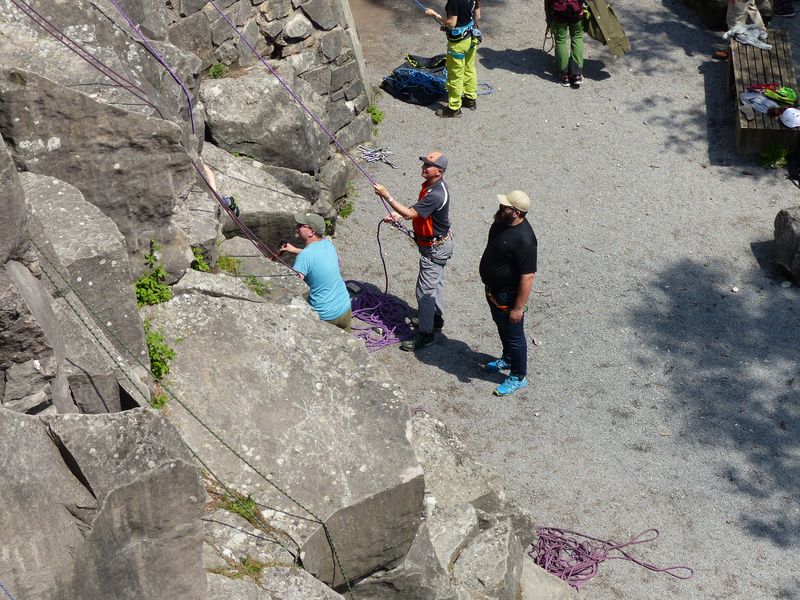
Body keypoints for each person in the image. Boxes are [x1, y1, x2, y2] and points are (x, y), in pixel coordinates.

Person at [373, 151, 453, 351]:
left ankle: (426, 334)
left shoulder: (436, 194)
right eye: (424, 164)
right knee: (436, 283)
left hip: (434, 249)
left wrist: (387, 196)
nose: (423, 167)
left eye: (428, 165)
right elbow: (417, 209)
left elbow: (410, 214)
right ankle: (435, 319)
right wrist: (398, 215)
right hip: (436, 245)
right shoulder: (432, 186)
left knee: (424, 291)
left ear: (439, 171)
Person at [479, 190, 538, 397]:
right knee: (501, 327)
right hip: (494, 292)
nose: (500, 208)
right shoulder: (501, 222)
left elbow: (528, 277)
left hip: (509, 297)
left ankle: (518, 376)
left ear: (516, 212)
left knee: (515, 336)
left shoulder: (525, 239)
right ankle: (508, 358)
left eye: (505, 206)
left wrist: (518, 308)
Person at [280, 213, 352, 331]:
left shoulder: (304, 257)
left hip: (326, 316)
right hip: (345, 308)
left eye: (301, 225)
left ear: (311, 232)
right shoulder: (328, 244)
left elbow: (294, 285)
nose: (297, 227)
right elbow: (315, 257)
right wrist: (294, 250)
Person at [424, 0, 481, 117]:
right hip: (471, 38)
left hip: (459, 44)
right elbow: (477, 16)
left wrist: (435, 14)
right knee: (469, 68)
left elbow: (451, 23)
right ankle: (470, 99)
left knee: (455, 76)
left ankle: (454, 109)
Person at [545, 0, 586, 87]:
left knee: (561, 40)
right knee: (577, 37)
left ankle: (565, 75)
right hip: (576, 8)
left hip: (559, 10)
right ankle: (577, 74)